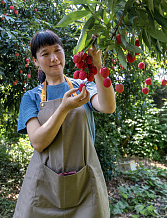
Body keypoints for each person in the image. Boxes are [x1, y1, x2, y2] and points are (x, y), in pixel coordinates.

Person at [14, 30, 116, 217]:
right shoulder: (30, 97)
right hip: (43, 189)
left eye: (57, 50)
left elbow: (108, 106)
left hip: (85, 185)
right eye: (45, 54)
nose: (54, 58)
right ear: (35, 61)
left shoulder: (83, 86)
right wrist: (63, 108)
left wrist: (98, 66)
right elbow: (38, 142)